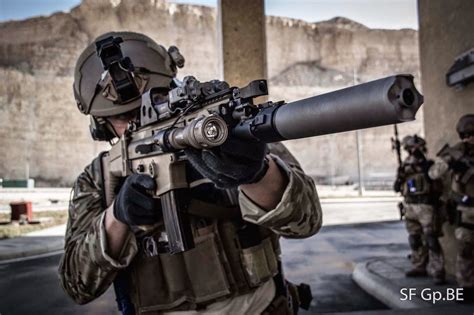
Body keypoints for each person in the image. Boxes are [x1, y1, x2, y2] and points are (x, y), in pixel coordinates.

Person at [58, 31, 323, 314]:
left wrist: (257, 175)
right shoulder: (98, 178)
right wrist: (117, 217)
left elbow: (308, 222)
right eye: (125, 117)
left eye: (155, 102)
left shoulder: (233, 135)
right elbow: (77, 285)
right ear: (102, 126)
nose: (141, 123)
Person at [429, 114, 474, 303]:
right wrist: (450, 164)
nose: (469, 138)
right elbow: (433, 174)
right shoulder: (456, 152)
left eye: (471, 134)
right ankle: (467, 287)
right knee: (466, 249)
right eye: (466, 135)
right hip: (466, 210)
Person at [393, 135, 445, 284]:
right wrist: (401, 176)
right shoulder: (404, 167)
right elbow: (397, 187)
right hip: (410, 206)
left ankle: (438, 270)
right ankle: (419, 265)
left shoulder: (428, 165)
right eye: (410, 150)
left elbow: (435, 183)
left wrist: (421, 165)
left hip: (426, 206)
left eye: (415, 150)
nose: (412, 153)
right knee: (414, 238)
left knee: (431, 239)